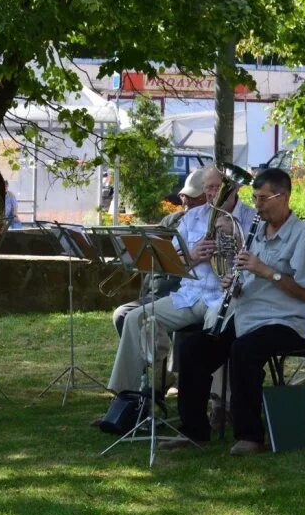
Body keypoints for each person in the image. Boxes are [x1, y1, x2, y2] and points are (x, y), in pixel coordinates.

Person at [160, 168, 305, 455]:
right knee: (194, 347)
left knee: (243, 350)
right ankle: (194, 431)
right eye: (255, 198)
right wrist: (234, 283)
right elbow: (250, 276)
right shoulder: (258, 232)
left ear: (283, 197)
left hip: (285, 321)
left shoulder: (303, 235)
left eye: (263, 199)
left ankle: (250, 435)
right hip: (248, 315)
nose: (257, 206)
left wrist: (265, 271)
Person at [96, 166, 255, 412]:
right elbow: (171, 262)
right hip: (190, 296)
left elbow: (259, 261)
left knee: (217, 330)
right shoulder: (191, 218)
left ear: (234, 188)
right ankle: (125, 400)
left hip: (225, 296)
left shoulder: (251, 218)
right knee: (136, 318)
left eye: (217, 187)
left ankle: (219, 404)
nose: (213, 194)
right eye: (208, 188)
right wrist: (192, 256)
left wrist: (234, 236)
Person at [110, 168, 208, 336]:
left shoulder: (212, 224)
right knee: (122, 314)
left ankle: (162, 359)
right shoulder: (172, 220)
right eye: (185, 197)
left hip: (183, 295)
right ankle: (148, 359)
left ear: (208, 197)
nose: (187, 202)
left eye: (194, 198)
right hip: (155, 293)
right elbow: (151, 251)